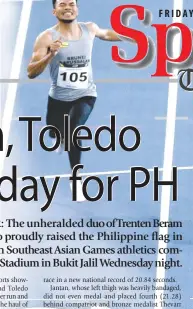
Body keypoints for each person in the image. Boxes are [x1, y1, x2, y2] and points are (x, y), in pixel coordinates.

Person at [26, 0, 124, 201]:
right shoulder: (46, 38)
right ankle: (59, 137)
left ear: (77, 9)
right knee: (54, 132)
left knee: (73, 131)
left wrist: (132, 37)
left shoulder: (89, 29)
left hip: (85, 95)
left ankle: (76, 178)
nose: (68, 7)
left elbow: (107, 34)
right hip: (58, 99)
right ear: (55, 11)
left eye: (72, 3)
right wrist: (50, 55)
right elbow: (31, 73)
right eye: (62, 4)